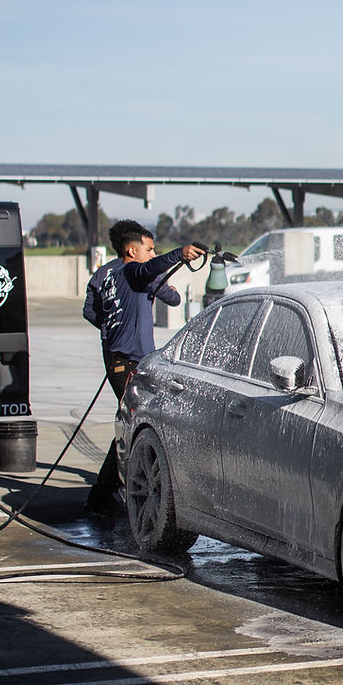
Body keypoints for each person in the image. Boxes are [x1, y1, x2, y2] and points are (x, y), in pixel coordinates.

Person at [83, 220, 204, 513]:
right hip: (129, 359)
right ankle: (105, 493)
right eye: (148, 249)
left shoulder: (103, 274)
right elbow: (154, 277)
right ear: (130, 249)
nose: (151, 255)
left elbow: (90, 311)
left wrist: (114, 326)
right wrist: (179, 254)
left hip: (117, 357)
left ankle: (107, 490)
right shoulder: (133, 271)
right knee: (134, 422)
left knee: (131, 420)